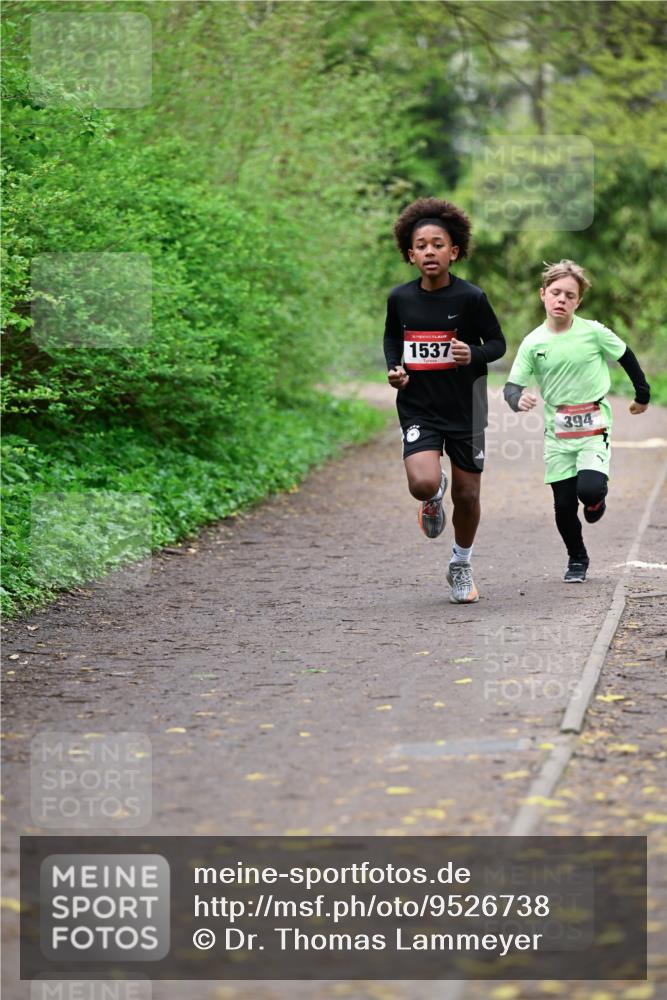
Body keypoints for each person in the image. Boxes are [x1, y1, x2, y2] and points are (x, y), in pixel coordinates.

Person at [384, 197, 506, 603]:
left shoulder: (471, 298)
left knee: (468, 496)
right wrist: (394, 368)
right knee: (422, 483)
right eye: (421, 245)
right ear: (410, 254)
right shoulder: (400, 299)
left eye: (438, 244)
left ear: (454, 252)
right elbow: (392, 338)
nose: (430, 251)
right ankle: (433, 496)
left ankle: (461, 562)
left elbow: (499, 344)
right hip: (419, 406)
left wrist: (472, 353)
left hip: (466, 409)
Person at [504, 259, 650, 583]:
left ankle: (597, 499)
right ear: (543, 294)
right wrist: (518, 400)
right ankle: (577, 558)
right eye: (556, 293)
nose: (562, 300)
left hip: (594, 427)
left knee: (589, 488)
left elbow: (625, 355)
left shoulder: (593, 332)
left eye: (570, 295)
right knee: (563, 506)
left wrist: (643, 394)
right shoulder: (533, 342)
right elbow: (511, 387)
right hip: (558, 433)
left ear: (578, 301)